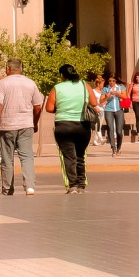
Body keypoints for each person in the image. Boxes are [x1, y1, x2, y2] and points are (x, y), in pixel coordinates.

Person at [0, 58, 44, 196]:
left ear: (7, 68)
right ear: (21, 68)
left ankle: (7, 189)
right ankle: (30, 186)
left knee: (7, 158)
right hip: (26, 125)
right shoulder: (31, 83)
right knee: (27, 157)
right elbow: (38, 106)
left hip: (7, 126)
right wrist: (34, 122)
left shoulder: (3, 83)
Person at [45, 64, 98, 194]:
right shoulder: (85, 85)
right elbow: (94, 103)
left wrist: (62, 108)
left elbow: (49, 108)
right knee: (80, 156)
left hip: (63, 126)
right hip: (82, 125)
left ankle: (72, 185)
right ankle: (81, 185)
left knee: (69, 157)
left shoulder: (57, 88)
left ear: (62, 75)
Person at [100, 73, 127, 156]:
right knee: (110, 128)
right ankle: (113, 149)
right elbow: (101, 101)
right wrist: (107, 97)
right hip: (108, 110)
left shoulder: (121, 87)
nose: (111, 82)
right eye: (110, 81)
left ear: (116, 81)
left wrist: (117, 94)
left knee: (119, 131)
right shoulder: (105, 89)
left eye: (113, 81)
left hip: (119, 110)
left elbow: (125, 97)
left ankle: (118, 147)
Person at [90, 75, 107, 146]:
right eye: (102, 84)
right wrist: (95, 107)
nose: (103, 85)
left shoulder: (103, 91)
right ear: (98, 84)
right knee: (97, 125)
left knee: (99, 125)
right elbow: (91, 101)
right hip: (96, 109)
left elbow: (103, 101)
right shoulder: (93, 91)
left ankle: (95, 140)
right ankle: (101, 139)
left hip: (102, 109)